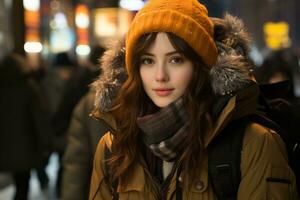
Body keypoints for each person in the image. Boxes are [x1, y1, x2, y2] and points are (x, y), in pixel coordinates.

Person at [89, 0, 299, 199]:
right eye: (148, 60)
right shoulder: (114, 147)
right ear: (135, 68)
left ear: (201, 65)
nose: (160, 75)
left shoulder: (253, 142)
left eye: (176, 59)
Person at [0, 53, 52, 200]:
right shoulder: (28, 87)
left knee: (18, 182)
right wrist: (47, 142)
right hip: (25, 145)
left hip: (4, 145)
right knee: (23, 185)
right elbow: (39, 117)